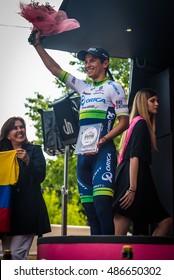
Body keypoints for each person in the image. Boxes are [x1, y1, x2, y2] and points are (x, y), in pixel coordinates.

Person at [28, 30, 129, 235]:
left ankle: (109, 259)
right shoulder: (83, 88)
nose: (88, 64)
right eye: (86, 61)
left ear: (105, 63)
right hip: (83, 155)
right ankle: (95, 260)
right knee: (90, 212)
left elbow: (124, 122)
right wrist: (37, 45)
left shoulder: (113, 87)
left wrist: (105, 139)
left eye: (93, 60)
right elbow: (56, 69)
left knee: (102, 206)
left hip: (103, 152)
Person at [113, 88, 172, 236]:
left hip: (136, 177)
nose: (157, 104)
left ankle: (144, 257)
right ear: (142, 103)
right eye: (152, 101)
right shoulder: (141, 124)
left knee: (162, 222)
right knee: (119, 237)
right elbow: (134, 157)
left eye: (157, 100)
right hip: (134, 179)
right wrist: (132, 188)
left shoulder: (135, 124)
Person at [0, 117, 51, 259]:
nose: (19, 130)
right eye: (15, 128)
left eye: (22, 127)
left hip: (27, 213)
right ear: (7, 134)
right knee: (6, 256)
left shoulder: (34, 151)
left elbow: (40, 176)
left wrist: (27, 160)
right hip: (6, 212)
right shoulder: (2, 155)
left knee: (17, 254)